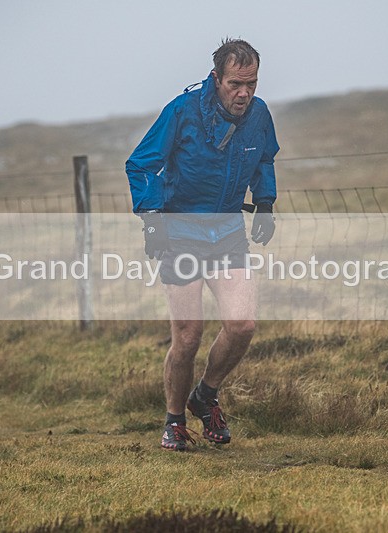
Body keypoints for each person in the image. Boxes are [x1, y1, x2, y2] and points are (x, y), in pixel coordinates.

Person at [125, 38, 279, 451]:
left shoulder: (260, 115)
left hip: (227, 231)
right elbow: (141, 164)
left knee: (242, 326)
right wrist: (153, 220)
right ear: (216, 78)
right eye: (235, 84)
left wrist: (265, 202)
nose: (244, 93)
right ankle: (174, 422)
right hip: (181, 233)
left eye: (252, 83)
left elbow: (264, 158)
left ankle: (205, 396)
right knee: (188, 337)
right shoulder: (183, 111)